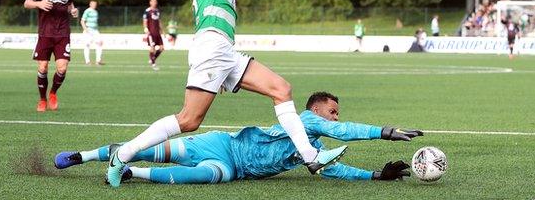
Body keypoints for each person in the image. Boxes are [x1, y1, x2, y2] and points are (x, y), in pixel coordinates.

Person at [104, 0, 346, 188]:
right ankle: (123, 154)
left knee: (281, 89)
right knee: (189, 120)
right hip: (212, 47)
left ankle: (310, 156)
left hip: (224, 52)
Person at [55, 92, 422, 184]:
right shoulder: (307, 120)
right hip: (223, 145)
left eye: (336, 113)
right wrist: (384, 132)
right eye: (332, 111)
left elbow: (333, 171)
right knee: (155, 150)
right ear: (315, 111)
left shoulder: (314, 150)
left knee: (206, 177)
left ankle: (132, 175)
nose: (335, 118)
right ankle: (84, 156)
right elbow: (343, 131)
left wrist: (375, 175)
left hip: (232, 168)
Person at [23, 0, 78, 112]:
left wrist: (72, 10)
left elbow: (69, 5)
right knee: (43, 66)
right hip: (45, 33)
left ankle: (53, 93)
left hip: (63, 33)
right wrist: (39, 3)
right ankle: (42, 99)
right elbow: (27, 3)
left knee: (62, 68)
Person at [143, 0, 164, 70]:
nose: (155, 3)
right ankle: (153, 64)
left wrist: (162, 31)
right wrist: (145, 28)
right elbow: (145, 20)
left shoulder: (157, 11)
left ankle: (152, 58)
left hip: (157, 33)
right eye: (153, 1)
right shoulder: (147, 11)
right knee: (152, 48)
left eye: (156, 1)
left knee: (161, 48)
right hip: (151, 33)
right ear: (150, 2)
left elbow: (159, 21)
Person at [81, 0, 104, 65]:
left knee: (100, 43)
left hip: (95, 30)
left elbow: (95, 22)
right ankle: (87, 61)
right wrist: (86, 29)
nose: (94, 5)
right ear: (90, 4)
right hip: (88, 30)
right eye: (93, 4)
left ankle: (98, 60)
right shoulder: (87, 11)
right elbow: (82, 21)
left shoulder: (96, 12)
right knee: (87, 45)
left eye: (95, 4)